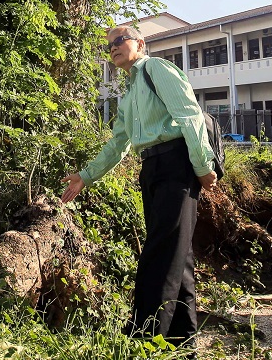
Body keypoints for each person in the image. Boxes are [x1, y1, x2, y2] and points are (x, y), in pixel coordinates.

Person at [61, 26, 217, 351]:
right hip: (152, 170)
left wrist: (203, 166)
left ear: (140, 43)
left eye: (120, 41)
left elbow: (189, 115)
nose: (114, 48)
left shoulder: (156, 69)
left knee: (159, 255)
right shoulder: (130, 92)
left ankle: (141, 339)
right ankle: (182, 346)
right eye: (109, 46)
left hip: (177, 167)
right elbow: (119, 143)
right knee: (178, 258)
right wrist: (85, 176)